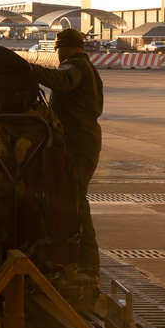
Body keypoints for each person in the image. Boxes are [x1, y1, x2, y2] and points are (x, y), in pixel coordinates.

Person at [28, 28, 104, 287]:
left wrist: (31, 71)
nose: (58, 55)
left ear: (66, 48)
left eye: (58, 49)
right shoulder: (89, 69)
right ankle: (78, 259)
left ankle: (88, 264)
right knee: (74, 200)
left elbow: (62, 81)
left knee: (77, 202)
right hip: (84, 143)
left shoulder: (75, 67)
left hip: (79, 146)